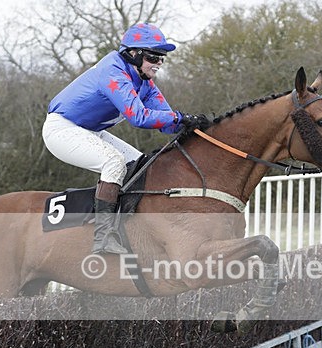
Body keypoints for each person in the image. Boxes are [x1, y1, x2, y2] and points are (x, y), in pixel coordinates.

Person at [42, 22, 209, 254]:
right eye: (153, 57)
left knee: (141, 165)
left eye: (161, 59)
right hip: (62, 129)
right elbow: (139, 117)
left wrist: (194, 125)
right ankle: (103, 237)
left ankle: (129, 227)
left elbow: (168, 124)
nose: (158, 63)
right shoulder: (113, 70)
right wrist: (179, 118)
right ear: (133, 54)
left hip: (89, 131)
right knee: (114, 162)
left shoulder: (145, 83)